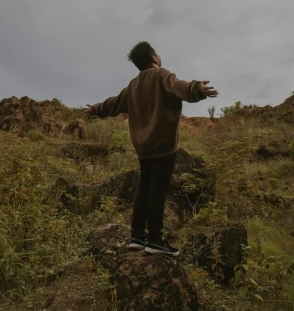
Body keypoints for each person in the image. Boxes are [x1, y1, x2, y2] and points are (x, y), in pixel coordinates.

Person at [84, 42, 218, 256]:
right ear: (155, 57)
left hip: (143, 149)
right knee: (157, 189)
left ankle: (137, 236)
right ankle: (154, 240)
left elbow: (113, 104)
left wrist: (95, 109)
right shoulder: (161, 75)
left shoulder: (133, 85)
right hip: (163, 148)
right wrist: (197, 89)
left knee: (144, 189)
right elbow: (178, 86)